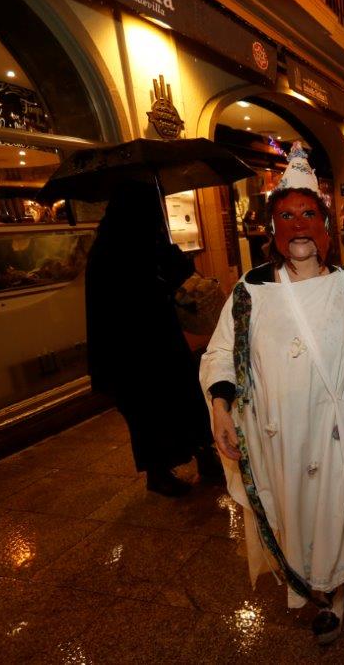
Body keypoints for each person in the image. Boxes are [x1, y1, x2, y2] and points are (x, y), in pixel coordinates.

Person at [199, 143, 344, 644]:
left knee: (333, 514)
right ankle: (319, 581)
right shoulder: (250, 291)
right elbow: (220, 353)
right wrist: (220, 404)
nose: (298, 224)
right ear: (273, 228)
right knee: (293, 514)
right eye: (287, 215)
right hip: (279, 437)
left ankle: (332, 597)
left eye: (309, 213)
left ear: (327, 227)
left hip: (335, 435)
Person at [85, 181, 222, 497]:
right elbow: (138, 294)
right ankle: (159, 473)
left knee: (181, 400)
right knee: (151, 412)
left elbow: (173, 274)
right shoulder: (119, 246)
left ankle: (204, 457)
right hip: (133, 350)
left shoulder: (126, 240)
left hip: (153, 344)